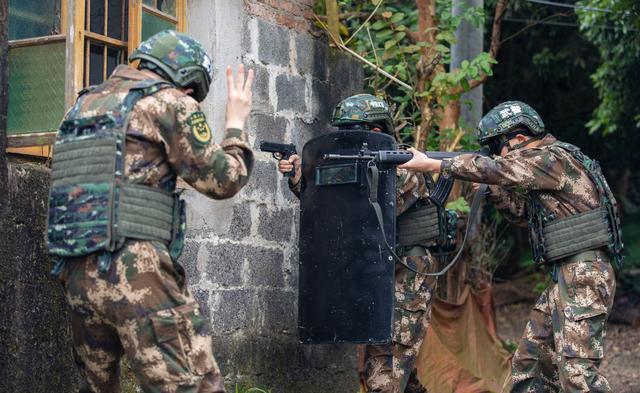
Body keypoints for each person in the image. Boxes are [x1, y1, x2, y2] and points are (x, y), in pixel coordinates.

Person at [47, 30, 254, 393]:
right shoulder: (169, 103)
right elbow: (224, 180)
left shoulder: (81, 106)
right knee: (192, 384)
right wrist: (235, 123)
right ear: (186, 83)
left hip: (77, 272)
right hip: (137, 273)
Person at [398, 100, 621, 392]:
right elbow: (523, 216)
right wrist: (493, 191)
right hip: (569, 276)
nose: (498, 157)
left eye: (498, 149)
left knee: (579, 375)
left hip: (585, 274)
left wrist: (433, 163)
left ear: (518, 138)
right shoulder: (547, 170)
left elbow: (497, 169)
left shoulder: (551, 159)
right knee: (529, 366)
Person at [278, 94, 435, 393]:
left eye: (356, 130)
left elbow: (361, 209)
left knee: (387, 364)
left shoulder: (404, 165)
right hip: (378, 270)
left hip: (409, 268)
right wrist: (301, 179)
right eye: (344, 131)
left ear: (376, 134)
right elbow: (330, 210)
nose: (347, 138)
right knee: (398, 367)